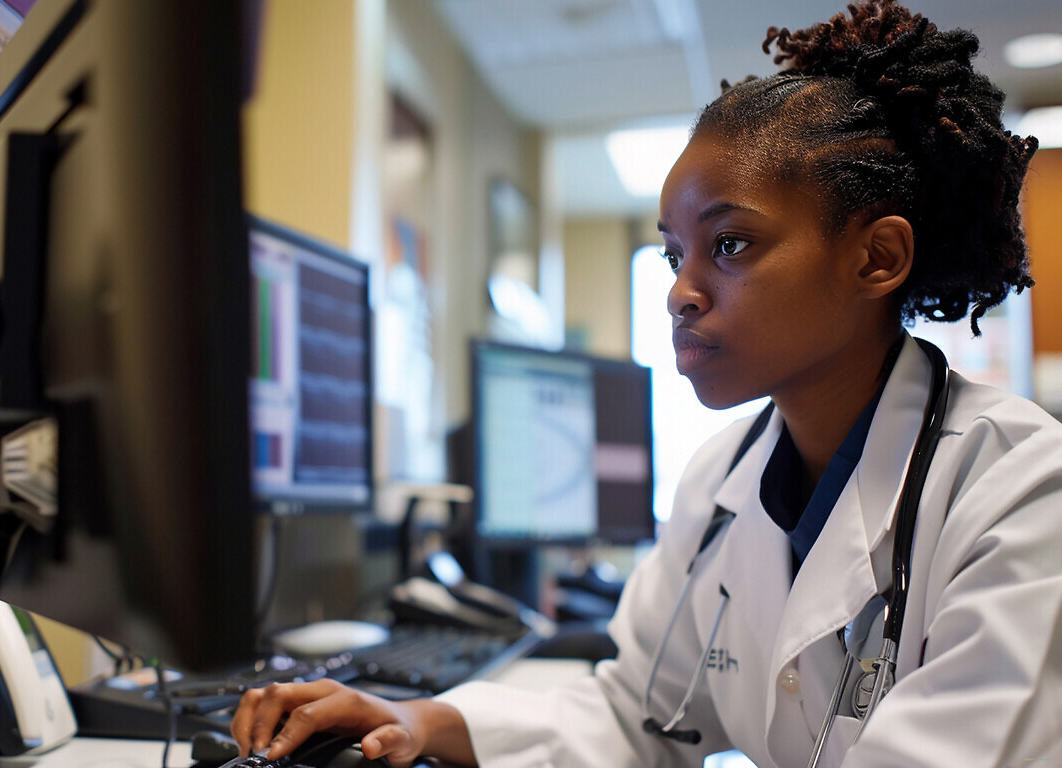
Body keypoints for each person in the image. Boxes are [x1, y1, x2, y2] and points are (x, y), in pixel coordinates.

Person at [231, 1, 1062, 765]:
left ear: (876, 257)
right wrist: (422, 720)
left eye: (729, 245)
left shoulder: (1020, 491)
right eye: (674, 254)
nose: (680, 290)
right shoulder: (719, 484)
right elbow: (640, 716)